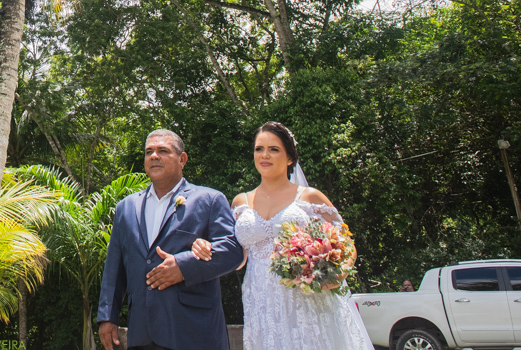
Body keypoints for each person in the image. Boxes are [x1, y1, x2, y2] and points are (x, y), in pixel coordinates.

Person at [189, 123, 373, 350]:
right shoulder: (240, 202)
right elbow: (236, 254)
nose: (264, 155)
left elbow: (346, 243)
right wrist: (206, 245)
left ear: (289, 158)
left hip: (306, 296)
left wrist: (336, 275)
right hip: (260, 298)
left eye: (274, 149)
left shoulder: (310, 197)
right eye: (259, 149)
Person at [96, 129, 243, 350]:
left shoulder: (209, 200)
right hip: (142, 332)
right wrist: (108, 316)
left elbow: (232, 250)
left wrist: (183, 266)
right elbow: (114, 268)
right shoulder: (126, 207)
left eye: (163, 151)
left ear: (182, 159)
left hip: (193, 332)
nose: (154, 156)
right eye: (149, 152)